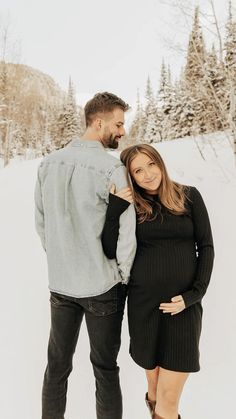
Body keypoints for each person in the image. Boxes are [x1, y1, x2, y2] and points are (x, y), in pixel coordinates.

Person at [34, 92, 137, 419]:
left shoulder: (48, 164)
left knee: (56, 367)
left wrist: (62, 258)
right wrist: (123, 276)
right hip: (102, 286)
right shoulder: (111, 169)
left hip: (61, 285)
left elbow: (41, 223)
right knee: (105, 370)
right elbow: (126, 235)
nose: (122, 131)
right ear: (98, 122)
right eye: (118, 124)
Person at [102, 144, 214, 419]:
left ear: (160, 162)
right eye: (138, 170)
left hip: (183, 310)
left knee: (168, 398)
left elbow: (206, 246)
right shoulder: (131, 208)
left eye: (151, 164)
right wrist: (115, 210)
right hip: (144, 308)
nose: (148, 174)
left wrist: (193, 296)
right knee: (153, 387)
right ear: (131, 176)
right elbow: (108, 249)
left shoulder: (188, 196)